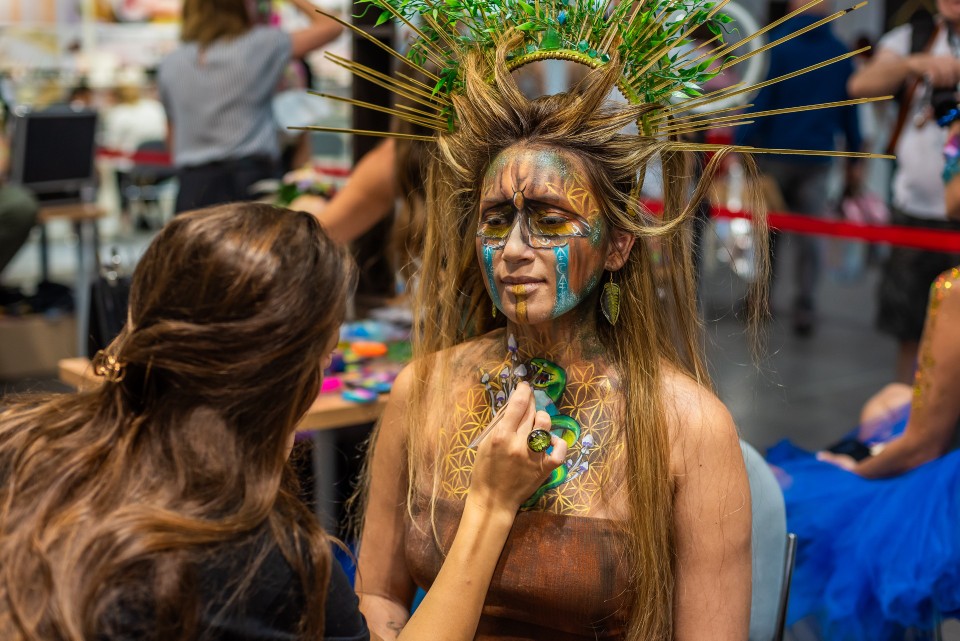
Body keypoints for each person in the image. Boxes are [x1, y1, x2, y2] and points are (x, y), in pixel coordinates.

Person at [0, 202, 568, 641]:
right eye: (328, 346)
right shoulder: (263, 566)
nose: (515, 249)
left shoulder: (25, 443)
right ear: (294, 374)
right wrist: (490, 505)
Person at [354, 40, 755, 638]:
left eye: (549, 220)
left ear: (618, 245)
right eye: (495, 221)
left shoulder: (689, 425)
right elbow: (378, 596)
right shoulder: (425, 389)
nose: (514, 249)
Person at [765, 114, 960, 640]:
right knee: (888, 402)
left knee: (805, 499)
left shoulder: (955, 289)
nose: (944, 166)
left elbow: (924, 445)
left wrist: (852, 472)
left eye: (953, 155)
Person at [848, 0, 960, 383]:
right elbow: (860, 85)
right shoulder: (915, 36)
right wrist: (915, 64)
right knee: (910, 331)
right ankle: (906, 422)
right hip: (914, 211)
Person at [736, 0, 862, 336]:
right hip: (817, 161)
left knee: (767, 234)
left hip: (776, 157)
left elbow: (759, 100)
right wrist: (855, 159)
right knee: (808, 238)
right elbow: (850, 111)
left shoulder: (777, 44)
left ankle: (760, 300)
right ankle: (804, 305)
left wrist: (742, 142)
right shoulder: (839, 51)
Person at [158, 0, 342, 213]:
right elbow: (332, 26)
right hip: (250, 184)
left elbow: (172, 138)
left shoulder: (170, 63)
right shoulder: (260, 45)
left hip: (192, 187)